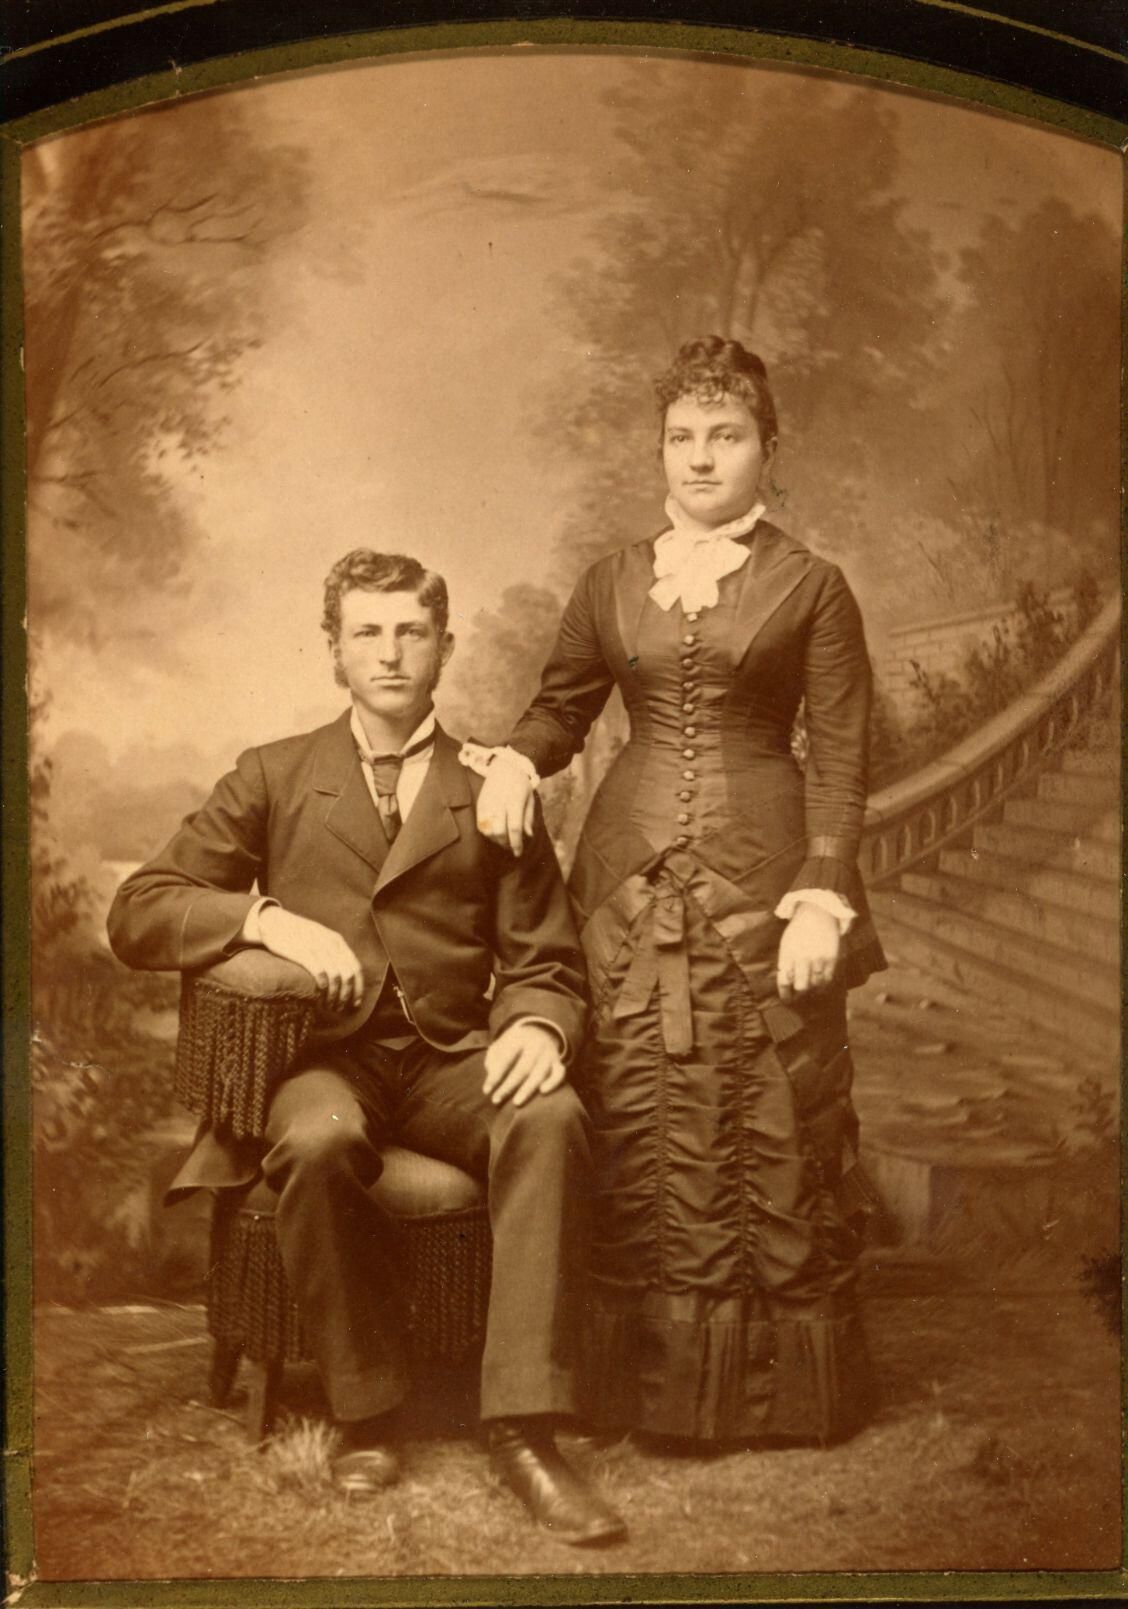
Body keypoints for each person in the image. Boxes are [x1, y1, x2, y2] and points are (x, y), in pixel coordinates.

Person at [107, 549, 626, 1547]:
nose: (390, 654)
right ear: (334, 651)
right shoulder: (274, 774)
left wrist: (534, 1023)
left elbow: (548, 959)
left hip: (446, 1057)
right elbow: (139, 908)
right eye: (367, 633)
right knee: (314, 1140)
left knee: (550, 1116)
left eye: (411, 632)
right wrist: (266, 920)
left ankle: (523, 1428)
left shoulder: (494, 786)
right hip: (323, 1061)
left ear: (444, 647)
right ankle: (369, 1408)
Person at [468, 336, 887, 1445]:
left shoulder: (814, 586)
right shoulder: (612, 579)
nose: (700, 458)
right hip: (625, 876)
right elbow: (561, 708)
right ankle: (628, 1389)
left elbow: (843, 756)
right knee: (633, 1107)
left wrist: (822, 889)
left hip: (767, 875)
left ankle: (770, 1396)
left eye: (726, 436)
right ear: (660, 449)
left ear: (768, 448)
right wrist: (516, 762)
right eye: (682, 437)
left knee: (768, 1109)